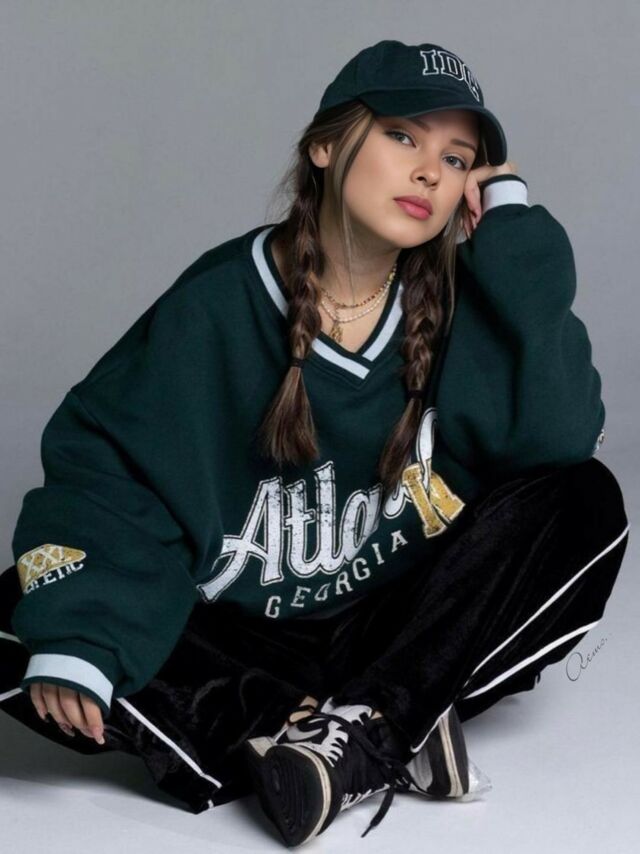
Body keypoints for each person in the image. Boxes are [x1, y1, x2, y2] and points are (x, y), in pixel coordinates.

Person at [0, 38, 629, 848]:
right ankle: (351, 730)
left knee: (586, 501)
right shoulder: (216, 304)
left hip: (402, 621)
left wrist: (513, 230)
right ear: (325, 146)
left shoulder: (464, 300)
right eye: (402, 136)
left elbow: (557, 439)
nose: (429, 173)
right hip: (244, 628)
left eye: (456, 159)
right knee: (33, 617)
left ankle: (362, 725)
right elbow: (103, 468)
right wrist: (83, 637)